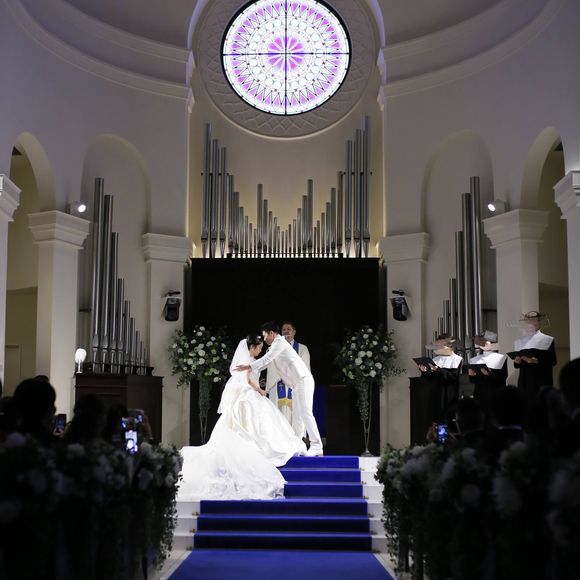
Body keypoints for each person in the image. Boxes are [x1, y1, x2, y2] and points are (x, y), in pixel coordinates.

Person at [178, 334, 306, 500]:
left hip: (245, 394)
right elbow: (248, 380)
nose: (260, 350)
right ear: (252, 347)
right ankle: (257, 449)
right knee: (256, 420)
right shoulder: (248, 361)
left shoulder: (251, 360)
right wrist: (260, 390)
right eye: (259, 347)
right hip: (247, 395)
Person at [236, 321, 324, 456]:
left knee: (306, 413)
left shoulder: (279, 342)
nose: (264, 339)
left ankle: (317, 445)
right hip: (296, 384)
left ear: (271, 333)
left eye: (264, 336)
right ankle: (299, 446)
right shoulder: (274, 346)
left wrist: (249, 366)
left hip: (303, 380)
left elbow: (267, 358)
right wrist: (250, 365)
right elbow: (266, 363)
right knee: (298, 416)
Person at [267, 320, 311, 438]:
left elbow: (305, 369)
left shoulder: (302, 349)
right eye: (284, 330)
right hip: (278, 384)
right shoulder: (274, 348)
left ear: (294, 332)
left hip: (296, 385)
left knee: (297, 414)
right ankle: (279, 440)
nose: (286, 332)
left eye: (289, 329)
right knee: (277, 414)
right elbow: (271, 366)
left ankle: (297, 441)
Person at [512, 311, 556, 411]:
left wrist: (536, 361)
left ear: (538, 323)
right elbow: (517, 365)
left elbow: (553, 361)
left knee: (540, 408)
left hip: (541, 380)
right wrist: (517, 362)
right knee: (525, 408)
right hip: (524, 381)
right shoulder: (520, 341)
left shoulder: (547, 339)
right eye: (528, 322)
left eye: (533, 321)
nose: (530, 324)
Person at [417, 334, 463, 424]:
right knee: (434, 419)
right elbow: (430, 378)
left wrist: (438, 369)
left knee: (447, 419)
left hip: (448, 393)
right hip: (435, 393)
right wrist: (424, 371)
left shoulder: (457, 359)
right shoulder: (435, 360)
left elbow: (453, 377)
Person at [467, 331, 508, 426]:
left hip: (495, 393)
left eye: (486, 341)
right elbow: (473, 381)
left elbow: (503, 377)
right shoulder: (475, 359)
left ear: (493, 343)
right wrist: (472, 376)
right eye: (481, 342)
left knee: (494, 419)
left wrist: (488, 374)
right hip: (480, 394)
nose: (483, 343)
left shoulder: (501, 358)